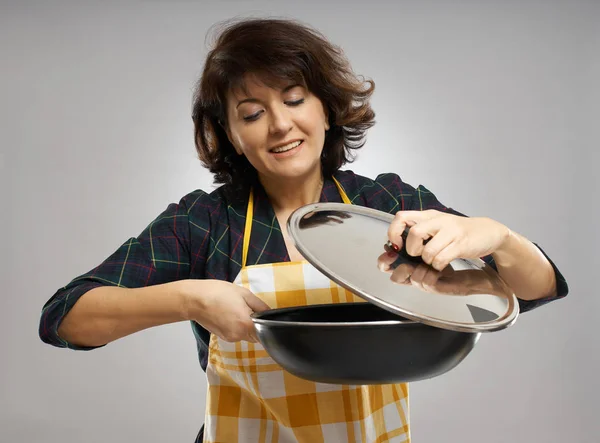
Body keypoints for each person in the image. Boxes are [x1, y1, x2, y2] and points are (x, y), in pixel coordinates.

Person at [39, 17, 569, 443]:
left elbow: (532, 288)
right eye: (252, 113)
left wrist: (498, 237)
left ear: (326, 107)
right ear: (230, 133)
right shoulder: (205, 222)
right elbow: (65, 318)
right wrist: (186, 299)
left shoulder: (387, 204)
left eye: (294, 100)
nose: (280, 125)